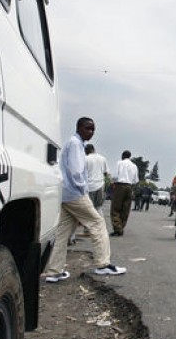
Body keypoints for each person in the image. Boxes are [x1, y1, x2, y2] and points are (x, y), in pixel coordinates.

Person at [41, 117, 126, 283]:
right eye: (88, 128)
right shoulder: (75, 144)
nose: (91, 132)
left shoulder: (75, 144)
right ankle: (103, 264)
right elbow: (76, 171)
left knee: (63, 232)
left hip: (65, 194)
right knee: (97, 222)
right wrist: (83, 190)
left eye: (93, 129)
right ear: (79, 128)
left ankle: (54, 271)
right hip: (75, 193)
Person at [109, 150, 139, 236]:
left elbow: (114, 176)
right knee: (125, 209)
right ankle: (121, 226)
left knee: (115, 208)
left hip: (120, 186)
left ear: (122, 156)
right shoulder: (134, 166)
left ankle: (117, 229)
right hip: (129, 187)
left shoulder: (119, 163)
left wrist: (113, 183)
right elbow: (136, 180)